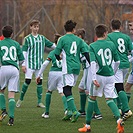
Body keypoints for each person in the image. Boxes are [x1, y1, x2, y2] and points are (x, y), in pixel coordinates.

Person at [78, 24, 124, 133]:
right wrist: (113, 72)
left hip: (98, 76)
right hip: (110, 76)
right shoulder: (111, 44)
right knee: (109, 99)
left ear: (96, 34)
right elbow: (117, 61)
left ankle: (87, 126)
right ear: (105, 33)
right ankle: (118, 120)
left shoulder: (92, 46)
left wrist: (93, 78)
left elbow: (93, 62)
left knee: (92, 99)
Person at [54, 20, 90, 123]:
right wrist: (91, 64)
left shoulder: (62, 39)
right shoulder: (79, 40)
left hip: (68, 68)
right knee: (68, 89)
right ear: (74, 29)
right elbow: (86, 53)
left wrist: (59, 58)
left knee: (66, 90)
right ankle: (69, 112)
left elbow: (57, 53)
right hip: (77, 67)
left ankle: (74, 111)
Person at [16, 20, 56, 108]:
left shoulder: (42, 38)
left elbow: (51, 45)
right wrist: (23, 65)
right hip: (30, 64)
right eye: (34, 26)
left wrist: (59, 49)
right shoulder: (27, 39)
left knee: (39, 82)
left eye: (37, 27)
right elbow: (24, 52)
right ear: (31, 27)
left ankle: (39, 102)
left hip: (39, 64)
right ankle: (20, 99)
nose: (36, 28)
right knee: (27, 81)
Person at [36, 33, 67, 118]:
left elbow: (45, 64)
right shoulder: (65, 52)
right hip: (62, 73)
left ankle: (46, 113)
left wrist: (39, 74)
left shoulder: (53, 52)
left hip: (53, 73)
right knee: (62, 92)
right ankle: (66, 110)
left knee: (49, 91)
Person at [107, 19, 132, 120]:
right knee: (118, 86)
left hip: (116, 64)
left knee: (118, 86)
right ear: (120, 27)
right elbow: (131, 50)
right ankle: (120, 109)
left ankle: (126, 109)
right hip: (126, 63)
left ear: (111, 27)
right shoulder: (126, 37)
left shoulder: (109, 36)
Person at [75, 28, 102, 119]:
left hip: (88, 69)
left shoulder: (83, 45)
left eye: (77, 36)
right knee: (81, 88)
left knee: (88, 91)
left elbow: (86, 58)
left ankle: (98, 113)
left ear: (80, 37)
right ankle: (82, 111)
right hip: (86, 69)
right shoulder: (81, 45)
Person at [0, 25, 24, 126]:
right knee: (11, 95)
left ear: (2, 34)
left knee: (1, 90)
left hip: (3, 68)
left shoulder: (0, 43)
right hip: (14, 69)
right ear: (12, 34)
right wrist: (16, 66)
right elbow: (22, 59)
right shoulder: (16, 44)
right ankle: (11, 119)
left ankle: (4, 110)